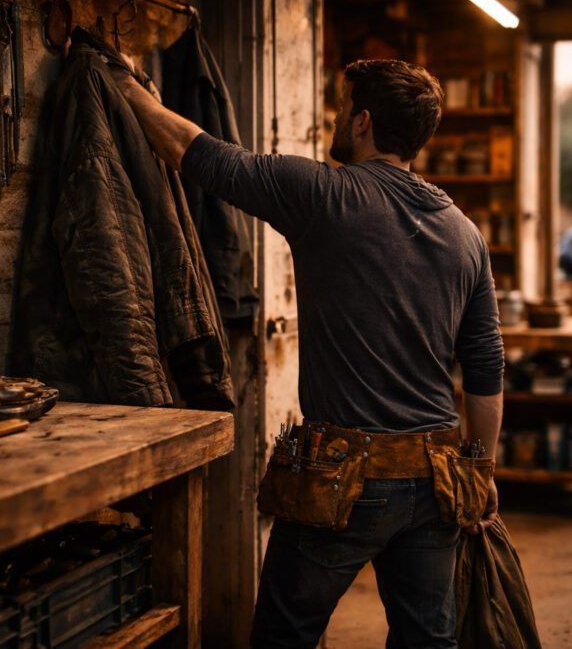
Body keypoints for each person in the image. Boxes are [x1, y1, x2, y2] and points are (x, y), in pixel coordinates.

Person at [114, 59, 504, 649]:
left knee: (284, 635)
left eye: (342, 109)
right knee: (429, 642)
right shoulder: (467, 233)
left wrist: (122, 85)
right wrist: (481, 469)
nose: (336, 119)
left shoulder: (324, 195)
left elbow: (201, 155)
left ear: (365, 121)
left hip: (341, 476)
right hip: (437, 479)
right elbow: (486, 369)